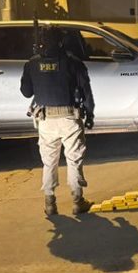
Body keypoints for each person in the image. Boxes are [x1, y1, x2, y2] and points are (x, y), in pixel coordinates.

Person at [21, 29, 95, 216]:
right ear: (61, 42)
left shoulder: (32, 64)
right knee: (74, 159)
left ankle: (50, 204)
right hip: (70, 118)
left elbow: (26, 92)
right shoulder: (73, 62)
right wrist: (90, 114)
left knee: (49, 162)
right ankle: (78, 202)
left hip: (46, 120)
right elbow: (86, 91)